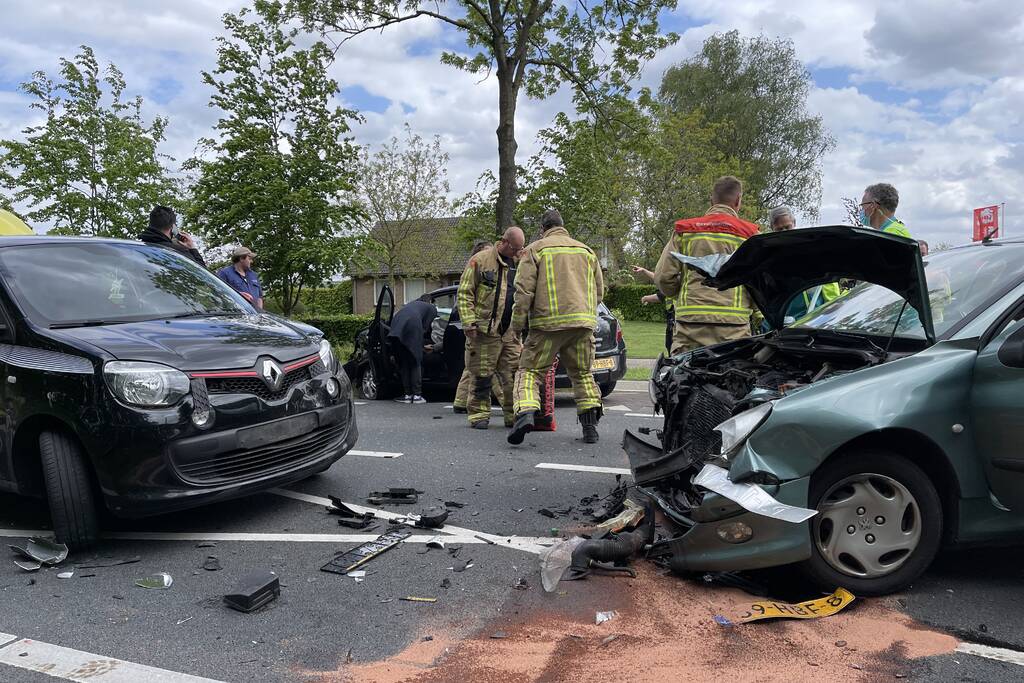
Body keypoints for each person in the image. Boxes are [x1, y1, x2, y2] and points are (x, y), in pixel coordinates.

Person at [508, 209, 604, 445]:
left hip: (546, 326)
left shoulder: (535, 250)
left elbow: (523, 293)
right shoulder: (587, 252)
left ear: (543, 229)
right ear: (563, 226)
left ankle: (526, 415)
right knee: (582, 375)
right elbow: (599, 293)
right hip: (582, 325)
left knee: (529, 372)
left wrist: (517, 326)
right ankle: (590, 428)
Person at [654, 176, 760, 354]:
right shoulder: (751, 234)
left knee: (683, 376)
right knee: (733, 376)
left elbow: (663, 277)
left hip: (690, 324)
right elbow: (759, 282)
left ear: (711, 200)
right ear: (738, 200)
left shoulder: (685, 230)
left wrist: (678, 294)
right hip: (734, 326)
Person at [456, 226, 526, 429]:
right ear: (503, 242)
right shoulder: (480, 261)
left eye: (520, 249)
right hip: (485, 331)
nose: (517, 252)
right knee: (481, 375)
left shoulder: (522, 263)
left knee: (511, 376)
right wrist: (469, 321)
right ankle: (479, 415)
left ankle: (512, 416)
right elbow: (465, 292)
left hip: (511, 332)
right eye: (514, 248)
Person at [453, 240, 494, 414]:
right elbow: (466, 297)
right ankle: (473, 405)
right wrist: (471, 323)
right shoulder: (477, 272)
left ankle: (461, 402)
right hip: (479, 327)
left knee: (471, 367)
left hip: (479, 326)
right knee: (481, 367)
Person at [387, 294, 438, 404]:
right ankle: (417, 395)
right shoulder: (431, 308)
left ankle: (407, 394)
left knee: (404, 363)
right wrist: (423, 346)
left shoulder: (410, 305)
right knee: (416, 361)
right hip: (412, 326)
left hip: (395, 328)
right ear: (430, 301)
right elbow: (425, 329)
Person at [139, 205, 206, 266]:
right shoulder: (178, 253)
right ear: (172, 227)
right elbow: (203, 273)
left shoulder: (137, 249)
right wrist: (192, 248)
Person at [634, 265, 673, 355]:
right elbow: (658, 280)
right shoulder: (677, 279)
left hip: (675, 323)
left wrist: (645, 298)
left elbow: (660, 295)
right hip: (674, 321)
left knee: (673, 349)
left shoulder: (673, 284)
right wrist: (644, 270)